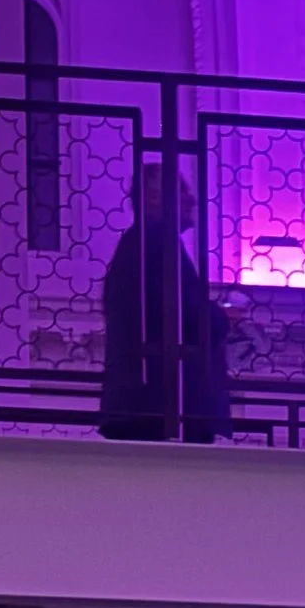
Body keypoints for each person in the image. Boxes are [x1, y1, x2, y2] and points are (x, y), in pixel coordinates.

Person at [99, 164, 231, 442]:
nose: (191, 200)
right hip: (162, 408)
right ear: (154, 197)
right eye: (181, 190)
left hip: (142, 406)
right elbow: (181, 313)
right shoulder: (157, 242)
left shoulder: (138, 244)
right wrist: (220, 318)